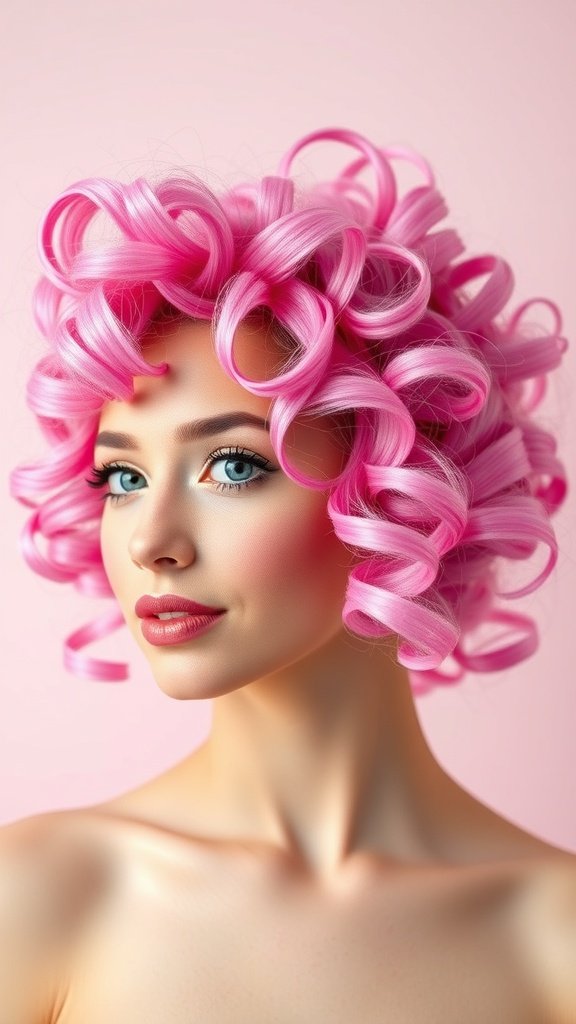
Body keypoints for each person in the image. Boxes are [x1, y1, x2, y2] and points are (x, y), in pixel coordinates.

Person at [2, 126, 575, 1021]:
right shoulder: (42, 898)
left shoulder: (553, 935)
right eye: (122, 476)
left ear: (397, 484)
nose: (152, 540)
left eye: (233, 466)